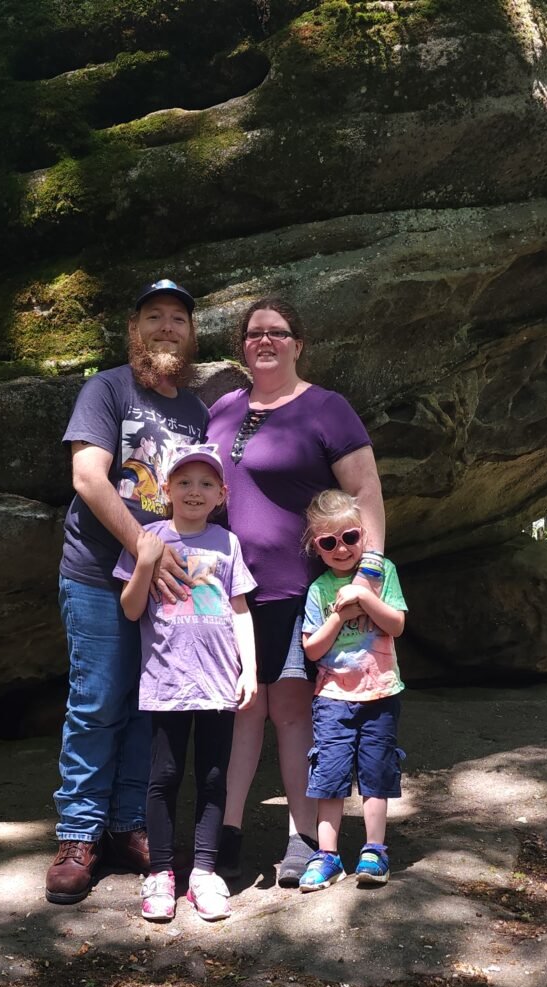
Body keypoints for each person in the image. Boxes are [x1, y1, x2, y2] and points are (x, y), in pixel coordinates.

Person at [206, 296, 385, 885]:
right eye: (254, 333)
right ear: (242, 345)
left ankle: (303, 837)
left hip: (297, 588)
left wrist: (367, 574)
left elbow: (366, 494)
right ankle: (226, 831)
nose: (265, 341)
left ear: (298, 343)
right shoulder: (225, 408)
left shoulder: (326, 409)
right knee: (240, 707)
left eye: (278, 333)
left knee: (288, 709)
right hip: (229, 591)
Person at [46, 279, 209, 905]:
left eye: (177, 319)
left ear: (191, 335)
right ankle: (78, 834)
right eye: (154, 317)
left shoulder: (195, 411)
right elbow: (88, 476)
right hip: (95, 573)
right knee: (98, 702)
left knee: (151, 706)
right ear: (133, 328)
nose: (166, 327)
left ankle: (127, 825)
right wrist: (142, 543)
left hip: (169, 582)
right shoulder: (106, 389)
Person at [114, 444, 257, 922]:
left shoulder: (227, 543)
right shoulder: (149, 536)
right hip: (167, 680)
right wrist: (144, 560)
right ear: (167, 490)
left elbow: (239, 610)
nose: (194, 491)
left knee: (213, 777)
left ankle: (204, 873)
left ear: (221, 494)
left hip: (218, 680)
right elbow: (132, 609)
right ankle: (160, 873)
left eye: (205, 484)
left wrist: (250, 670)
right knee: (165, 777)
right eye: (184, 482)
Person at [299, 489, 407, 890]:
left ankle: (374, 849)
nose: (341, 548)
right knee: (329, 774)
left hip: (380, 693)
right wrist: (340, 615)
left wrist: (364, 595)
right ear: (317, 547)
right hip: (332, 698)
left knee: (376, 773)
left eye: (350, 537)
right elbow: (312, 649)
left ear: (363, 536)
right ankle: (327, 856)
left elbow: (395, 625)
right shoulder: (319, 591)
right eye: (329, 542)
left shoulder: (384, 574)